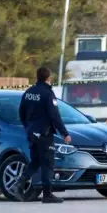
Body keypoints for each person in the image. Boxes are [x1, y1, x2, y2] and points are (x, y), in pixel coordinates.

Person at [17, 67, 71, 203]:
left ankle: (21, 181)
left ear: (37, 77)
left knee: (36, 161)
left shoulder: (28, 93)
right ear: (48, 78)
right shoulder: (48, 94)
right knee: (47, 163)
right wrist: (64, 134)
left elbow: (21, 113)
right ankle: (47, 195)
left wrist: (28, 128)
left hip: (32, 134)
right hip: (44, 135)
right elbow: (55, 116)